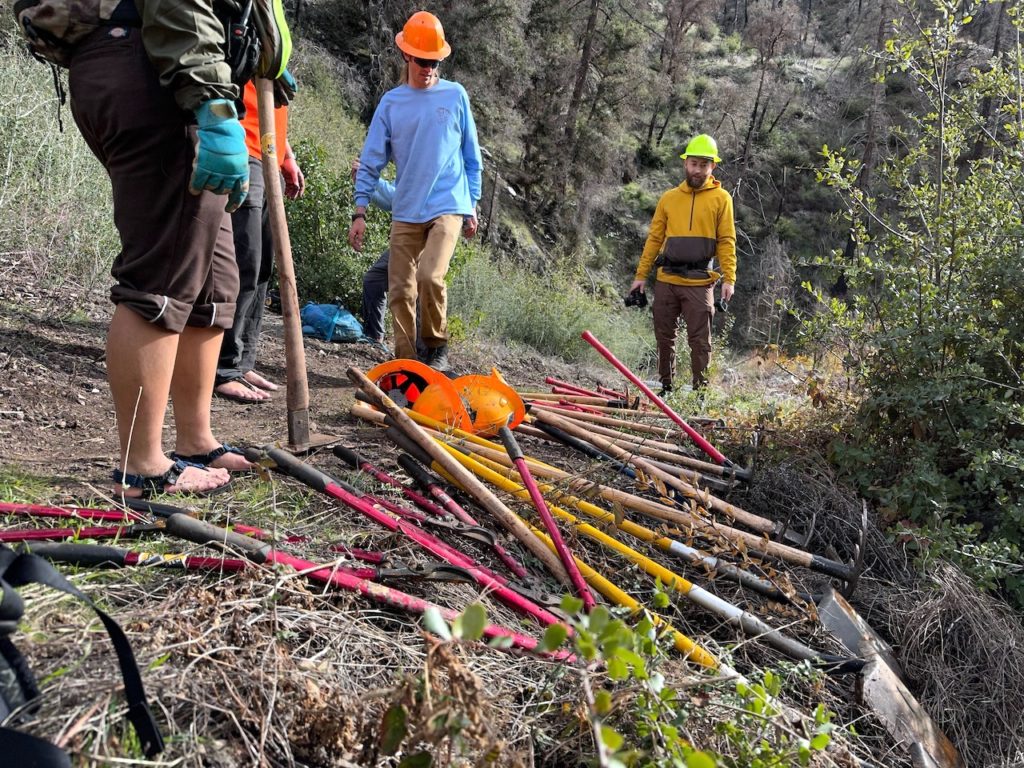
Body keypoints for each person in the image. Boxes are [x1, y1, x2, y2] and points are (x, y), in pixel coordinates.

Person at [68, 1, 254, 497]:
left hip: (163, 66)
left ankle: (195, 439)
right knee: (163, 277)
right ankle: (142, 467)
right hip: (160, 71)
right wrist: (214, 103)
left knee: (213, 281)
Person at [347, 10, 482, 373]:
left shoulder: (455, 96)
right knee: (400, 290)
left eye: (435, 61)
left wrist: (473, 204)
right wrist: (360, 211)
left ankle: (436, 347)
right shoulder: (392, 103)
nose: (429, 68)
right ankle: (406, 363)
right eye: (422, 60)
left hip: (449, 204)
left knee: (430, 276)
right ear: (406, 55)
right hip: (406, 209)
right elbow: (372, 160)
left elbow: (471, 156)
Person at [214, 79, 305, 404]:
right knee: (245, 262)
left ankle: (242, 362)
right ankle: (222, 368)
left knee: (264, 265)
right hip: (242, 152)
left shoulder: (272, 40)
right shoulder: (240, 29)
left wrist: (286, 156)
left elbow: (271, 106)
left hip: (268, 155)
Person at [630, 134, 736, 395]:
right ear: (685, 164)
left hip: (700, 282)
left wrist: (729, 278)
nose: (697, 169)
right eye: (693, 164)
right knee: (664, 339)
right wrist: (641, 275)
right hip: (666, 279)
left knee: (700, 342)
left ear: (713, 167)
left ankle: (700, 393)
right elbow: (654, 239)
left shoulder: (722, 199)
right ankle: (666, 388)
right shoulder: (668, 198)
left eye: (703, 164)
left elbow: (726, 240)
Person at [352, 158, 429, 359]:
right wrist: (364, 184)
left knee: (416, 292)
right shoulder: (408, 166)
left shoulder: (424, 161)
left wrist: (369, 177)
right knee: (374, 280)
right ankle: (374, 338)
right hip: (406, 241)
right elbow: (389, 201)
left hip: (425, 239)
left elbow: (399, 197)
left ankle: (422, 355)